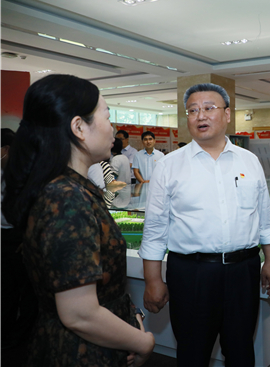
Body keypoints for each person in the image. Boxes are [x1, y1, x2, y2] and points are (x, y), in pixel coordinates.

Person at [2, 74, 155, 366]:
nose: (113, 129)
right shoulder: (65, 197)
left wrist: (131, 314)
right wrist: (144, 342)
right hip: (81, 354)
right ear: (79, 127)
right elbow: (80, 314)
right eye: (107, 117)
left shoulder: (73, 188)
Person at [140, 83, 270, 366]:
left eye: (208, 108)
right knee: (192, 353)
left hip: (243, 271)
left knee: (241, 351)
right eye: (192, 110)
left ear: (227, 115)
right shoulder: (169, 165)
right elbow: (154, 228)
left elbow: (264, 217)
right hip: (191, 275)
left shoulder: (249, 161)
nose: (200, 115)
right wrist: (153, 280)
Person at [1, 128, 38, 366]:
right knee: (7, 289)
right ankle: (7, 334)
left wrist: (27, 238)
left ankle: (22, 336)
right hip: (3, 236)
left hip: (21, 236)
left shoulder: (24, 171)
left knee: (27, 290)